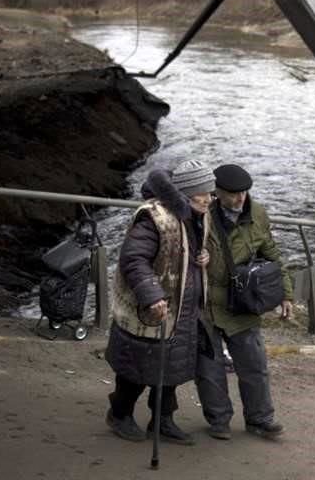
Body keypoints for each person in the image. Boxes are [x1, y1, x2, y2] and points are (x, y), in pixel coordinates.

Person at [104, 159, 214, 445]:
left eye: (211, 192)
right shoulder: (154, 217)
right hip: (153, 308)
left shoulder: (199, 213)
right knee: (137, 368)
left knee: (173, 369)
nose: (210, 198)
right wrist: (152, 295)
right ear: (188, 192)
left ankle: (163, 420)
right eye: (205, 192)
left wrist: (204, 257)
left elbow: (188, 250)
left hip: (184, 309)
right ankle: (119, 414)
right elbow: (134, 258)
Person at [195, 163, 293, 441]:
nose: (241, 199)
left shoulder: (258, 213)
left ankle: (260, 419)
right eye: (233, 194)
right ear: (217, 192)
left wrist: (285, 294)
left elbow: (273, 255)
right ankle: (219, 420)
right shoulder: (201, 214)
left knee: (254, 364)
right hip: (206, 302)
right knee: (209, 368)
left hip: (243, 301)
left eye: (245, 193)